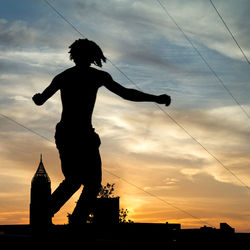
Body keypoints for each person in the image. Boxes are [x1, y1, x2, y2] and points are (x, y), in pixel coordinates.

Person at [32, 39, 171, 225]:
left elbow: (41, 99)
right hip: (73, 135)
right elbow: (126, 93)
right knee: (81, 181)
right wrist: (155, 98)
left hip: (77, 135)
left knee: (85, 181)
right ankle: (58, 216)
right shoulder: (87, 77)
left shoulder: (69, 77)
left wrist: (154, 98)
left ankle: (67, 218)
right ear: (89, 56)